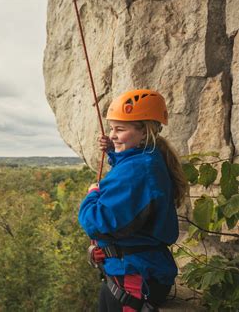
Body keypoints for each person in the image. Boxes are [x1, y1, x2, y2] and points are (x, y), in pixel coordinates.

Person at [78, 89, 188, 312]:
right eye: (111, 128)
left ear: (144, 133)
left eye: (120, 129)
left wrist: (92, 194)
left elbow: (97, 222)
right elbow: (129, 181)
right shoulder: (147, 158)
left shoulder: (140, 169)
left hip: (135, 279)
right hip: (131, 272)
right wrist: (114, 150)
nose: (112, 135)